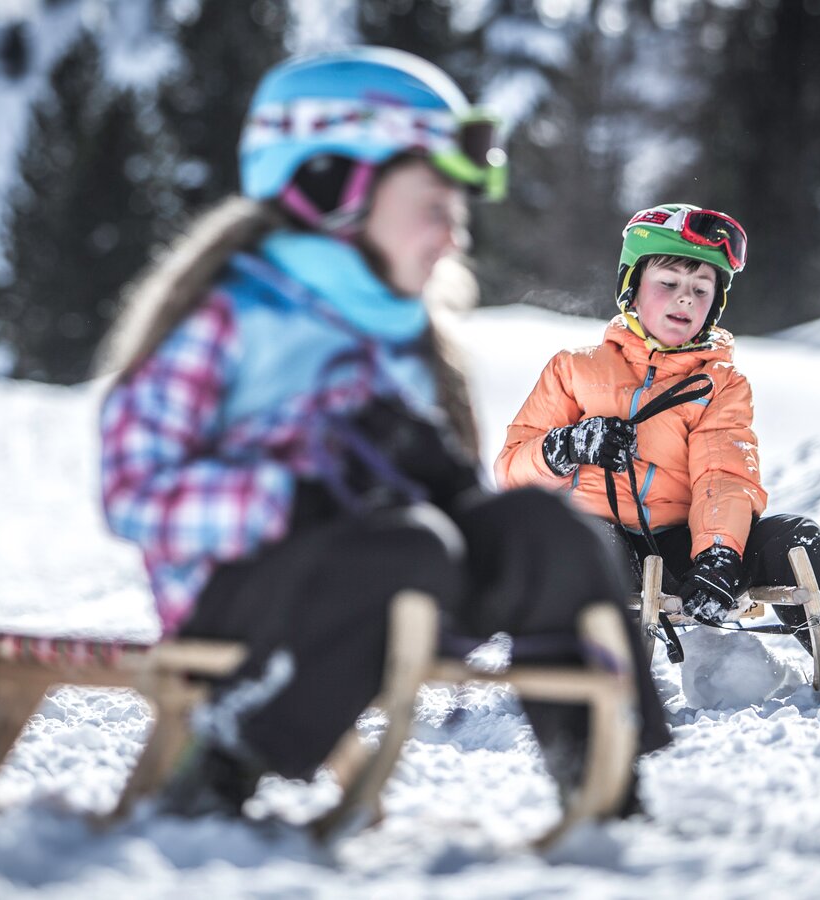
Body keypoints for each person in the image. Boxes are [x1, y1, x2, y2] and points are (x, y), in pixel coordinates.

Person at [98, 47, 669, 821]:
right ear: (329, 183)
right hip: (245, 607)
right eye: (435, 208)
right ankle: (225, 760)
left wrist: (443, 485)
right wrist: (297, 493)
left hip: (402, 578)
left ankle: (600, 768)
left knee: (545, 527)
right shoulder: (230, 318)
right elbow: (133, 493)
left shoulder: (404, 337)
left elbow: (437, 499)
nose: (453, 238)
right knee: (406, 546)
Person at [496, 202, 820, 667]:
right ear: (632, 289)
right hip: (598, 541)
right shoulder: (573, 369)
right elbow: (511, 472)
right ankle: (582, 674)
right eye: (668, 284)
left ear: (715, 304)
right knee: (575, 539)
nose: (685, 299)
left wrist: (718, 553)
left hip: (683, 546)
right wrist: (566, 446)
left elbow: (723, 475)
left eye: (701, 289)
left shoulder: (720, 384)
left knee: (797, 539)